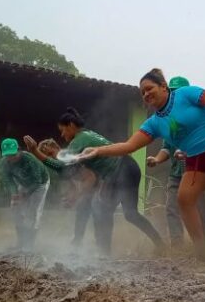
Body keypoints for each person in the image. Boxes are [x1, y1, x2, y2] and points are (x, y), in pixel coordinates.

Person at [78, 69, 205, 262]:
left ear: (163, 86)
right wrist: (98, 151)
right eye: (143, 93)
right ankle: (202, 252)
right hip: (198, 160)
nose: (146, 94)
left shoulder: (186, 94)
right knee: (184, 199)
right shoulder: (154, 123)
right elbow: (129, 145)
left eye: (149, 88)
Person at [24, 108, 164, 255]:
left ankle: (104, 253)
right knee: (127, 213)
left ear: (71, 125)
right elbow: (95, 167)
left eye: (63, 130)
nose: (62, 134)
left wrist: (35, 151)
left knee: (103, 210)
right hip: (127, 166)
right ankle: (158, 245)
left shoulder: (78, 141)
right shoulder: (86, 135)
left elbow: (62, 168)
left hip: (121, 170)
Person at [146, 76, 205, 248]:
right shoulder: (170, 123)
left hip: (199, 173)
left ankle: (204, 242)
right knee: (172, 208)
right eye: (172, 92)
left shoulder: (197, 118)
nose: (175, 96)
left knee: (201, 208)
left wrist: (188, 153)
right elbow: (166, 148)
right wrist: (157, 159)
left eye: (178, 92)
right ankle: (177, 244)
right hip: (176, 175)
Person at [37, 137, 99, 246]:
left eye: (51, 153)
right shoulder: (61, 166)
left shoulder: (69, 158)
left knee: (97, 210)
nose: (52, 158)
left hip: (102, 182)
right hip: (91, 186)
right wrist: (70, 199)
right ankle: (78, 241)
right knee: (82, 209)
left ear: (57, 147)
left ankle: (99, 244)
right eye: (49, 157)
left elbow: (91, 177)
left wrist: (77, 197)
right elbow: (73, 185)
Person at [0, 138, 49, 251]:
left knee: (32, 212)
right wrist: (14, 193)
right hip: (24, 183)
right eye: (8, 155)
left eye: (13, 155)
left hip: (40, 184)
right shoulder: (4, 163)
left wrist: (24, 196)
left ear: (18, 150)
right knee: (16, 210)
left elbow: (37, 181)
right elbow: (8, 180)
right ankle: (20, 243)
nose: (11, 158)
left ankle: (29, 246)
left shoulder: (29, 159)